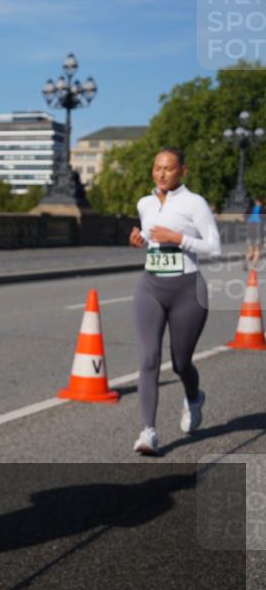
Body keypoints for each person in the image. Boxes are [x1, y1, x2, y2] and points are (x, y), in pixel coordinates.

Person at [128, 148, 221, 454]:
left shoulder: (195, 203)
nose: (162, 174)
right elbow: (150, 237)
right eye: (157, 168)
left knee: (181, 363)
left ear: (183, 170)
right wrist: (139, 239)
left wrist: (178, 238)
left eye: (168, 168)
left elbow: (214, 248)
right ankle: (148, 432)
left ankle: (194, 396)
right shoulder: (145, 202)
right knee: (148, 358)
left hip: (187, 290)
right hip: (150, 288)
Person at [245, 196, 263, 270]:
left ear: (256, 201)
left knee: (251, 250)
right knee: (257, 250)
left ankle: (246, 261)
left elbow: (245, 216)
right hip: (258, 230)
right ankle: (252, 267)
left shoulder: (251, 209)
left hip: (250, 230)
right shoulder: (263, 209)